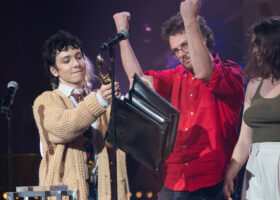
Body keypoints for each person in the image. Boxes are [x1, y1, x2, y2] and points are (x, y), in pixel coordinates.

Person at [113, 0, 245, 199]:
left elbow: (204, 72)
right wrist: (123, 35)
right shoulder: (175, 76)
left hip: (212, 181)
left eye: (185, 45)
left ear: (203, 38)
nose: (181, 54)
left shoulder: (231, 72)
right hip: (175, 180)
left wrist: (190, 19)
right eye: (176, 50)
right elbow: (138, 83)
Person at [33, 30, 130, 200]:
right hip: (69, 192)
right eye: (67, 60)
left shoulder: (96, 98)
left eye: (79, 57)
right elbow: (64, 126)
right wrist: (99, 100)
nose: (76, 63)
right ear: (54, 71)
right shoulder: (47, 100)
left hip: (102, 187)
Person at [223, 16, 280, 200]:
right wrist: (230, 174)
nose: (254, 49)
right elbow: (244, 140)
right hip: (257, 166)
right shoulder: (254, 85)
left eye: (258, 43)